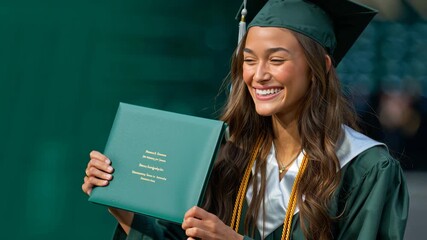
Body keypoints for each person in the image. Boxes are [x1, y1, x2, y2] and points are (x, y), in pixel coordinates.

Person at [82, 0, 409, 239]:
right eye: (249, 60)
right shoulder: (226, 154)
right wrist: (122, 206)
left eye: (277, 60)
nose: (259, 75)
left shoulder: (365, 169)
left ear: (321, 66)